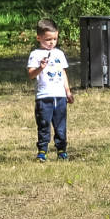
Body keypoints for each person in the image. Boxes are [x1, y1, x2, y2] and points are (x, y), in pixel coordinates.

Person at [26, 18, 73, 162]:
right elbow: (31, 75)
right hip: (43, 97)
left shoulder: (59, 54)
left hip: (59, 97)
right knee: (44, 125)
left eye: (55, 39)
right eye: (48, 39)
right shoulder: (35, 54)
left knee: (60, 125)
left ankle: (61, 150)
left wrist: (67, 91)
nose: (52, 42)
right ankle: (42, 150)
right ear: (39, 38)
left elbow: (63, 73)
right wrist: (41, 67)